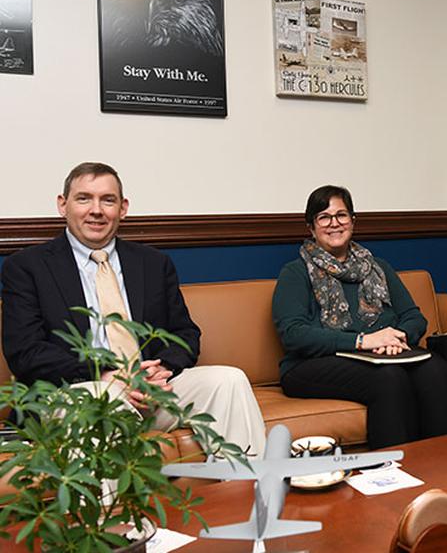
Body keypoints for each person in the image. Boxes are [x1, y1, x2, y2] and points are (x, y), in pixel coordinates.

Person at [1, 162, 266, 458]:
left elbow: (185, 333)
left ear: (123, 208)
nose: (97, 210)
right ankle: (109, 505)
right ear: (63, 205)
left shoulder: (153, 263)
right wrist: (104, 373)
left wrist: (163, 366)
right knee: (104, 397)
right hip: (76, 393)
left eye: (108, 200)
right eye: (84, 198)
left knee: (228, 381)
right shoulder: (27, 266)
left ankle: (249, 494)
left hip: (151, 391)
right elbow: (25, 352)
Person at [272, 185, 447, 449]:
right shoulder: (295, 273)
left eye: (341, 215)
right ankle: (391, 476)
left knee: (436, 371)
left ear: (353, 221)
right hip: (310, 364)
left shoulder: (378, 267)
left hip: (382, 356)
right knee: (389, 379)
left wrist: (396, 338)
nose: (334, 223)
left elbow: (413, 317)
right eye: (324, 217)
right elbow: (294, 334)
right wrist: (365, 341)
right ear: (311, 227)